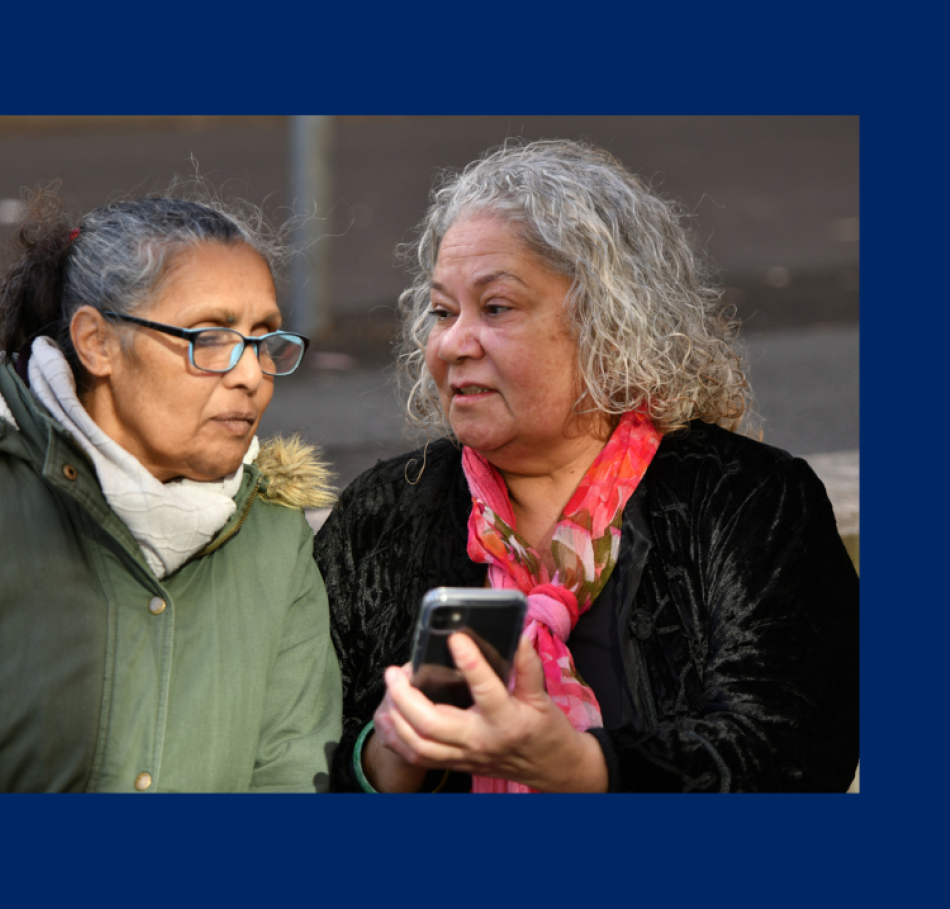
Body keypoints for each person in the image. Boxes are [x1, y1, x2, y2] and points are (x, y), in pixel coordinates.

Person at [314, 139, 859, 793]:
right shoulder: (380, 516)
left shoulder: (748, 503)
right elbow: (295, 756)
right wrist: (388, 761)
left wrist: (578, 768)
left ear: (610, 325)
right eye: (441, 311)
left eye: (496, 308)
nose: (453, 343)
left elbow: (791, 751)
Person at [0, 189, 343, 793]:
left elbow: (292, 774)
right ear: (97, 343)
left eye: (263, 339)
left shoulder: (273, 533)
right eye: (208, 338)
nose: (249, 374)